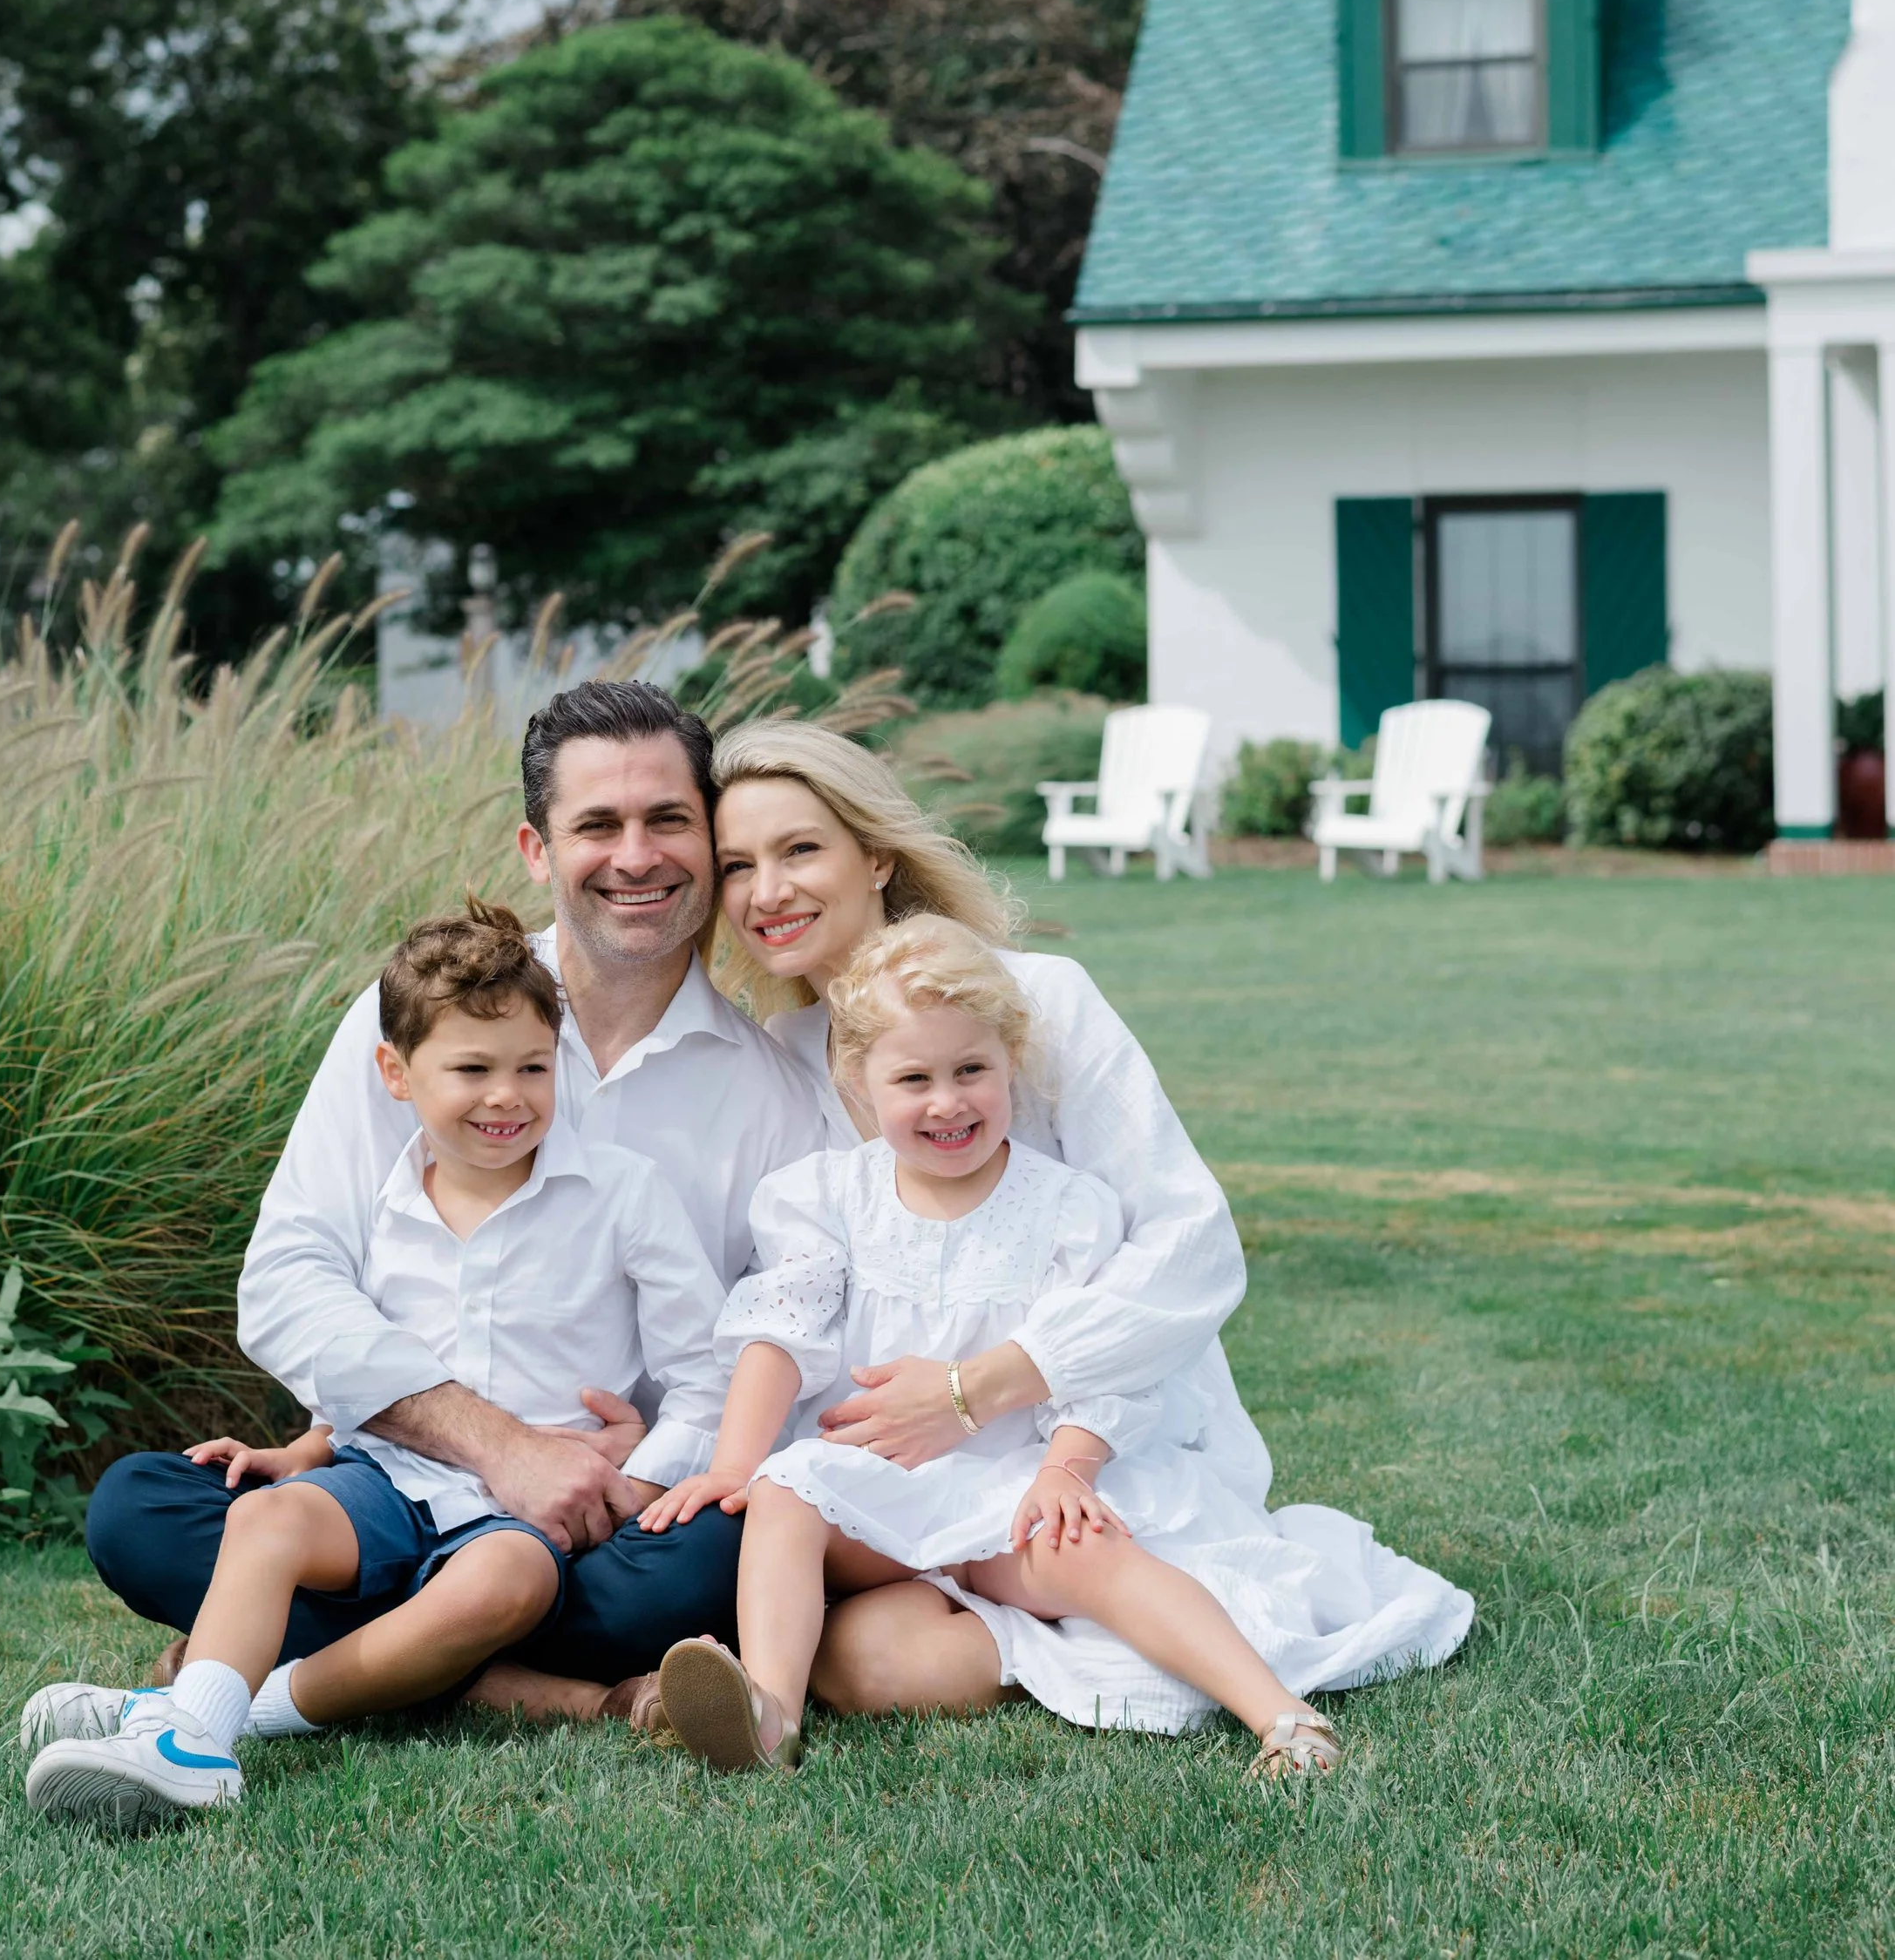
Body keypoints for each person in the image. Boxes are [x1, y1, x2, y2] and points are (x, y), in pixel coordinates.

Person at [78, 682, 824, 1724]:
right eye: (596, 825)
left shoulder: (775, 1094)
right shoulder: (421, 1027)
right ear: (535, 848)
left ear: (710, 836)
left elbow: (766, 1352)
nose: (637, 856)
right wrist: (497, 1448)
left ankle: (278, 1670)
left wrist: (637, 1475)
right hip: (397, 1483)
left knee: (711, 1560)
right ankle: (541, 1690)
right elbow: (291, 1282)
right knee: (139, 1513)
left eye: (668, 821)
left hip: (604, 1529)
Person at [704, 720, 1473, 1721]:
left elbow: (1191, 1250)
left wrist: (975, 1390)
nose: (768, 890)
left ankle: (1126, 1616)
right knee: (870, 1671)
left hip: (1092, 1439)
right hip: (904, 1481)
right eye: (736, 865)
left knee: (1051, 1569)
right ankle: (1008, 1618)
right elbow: (789, 1297)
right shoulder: (781, 1052)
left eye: (800, 848)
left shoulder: (1037, 1005)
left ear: (876, 854)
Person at [24, 900, 731, 1828]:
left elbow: (704, 1371)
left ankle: (199, 1712)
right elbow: (376, 1360)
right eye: (470, 1069)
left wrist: (636, 1482)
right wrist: (307, 1450)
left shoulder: (622, 1194)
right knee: (266, 1521)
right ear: (394, 1073)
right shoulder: (380, 1206)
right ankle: (191, 1746)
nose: (506, 1095)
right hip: (385, 1480)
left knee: (509, 1586)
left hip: (527, 1520)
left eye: (531, 1066)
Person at [643, 915, 1384, 1774]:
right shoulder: (825, 1197)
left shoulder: (1067, 1212)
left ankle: (1284, 1721)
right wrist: (736, 1464)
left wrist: (1067, 1468)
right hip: (884, 1489)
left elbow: (1100, 1369)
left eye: (971, 1071)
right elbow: (781, 1331)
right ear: (859, 1080)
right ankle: (768, 1716)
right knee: (786, 1493)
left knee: (1087, 1551)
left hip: (1013, 1482)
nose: (946, 1100)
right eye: (913, 1077)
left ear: (1010, 1066)